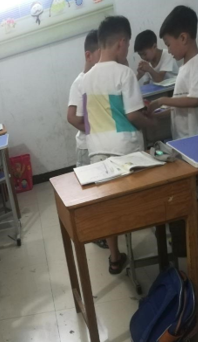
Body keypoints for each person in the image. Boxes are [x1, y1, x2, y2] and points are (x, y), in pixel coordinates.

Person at [79, 15, 156, 274]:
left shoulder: (85, 79)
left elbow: (87, 118)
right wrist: (151, 121)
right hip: (126, 152)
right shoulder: (125, 73)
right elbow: (133, 115)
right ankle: (156, 246)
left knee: (109, 209)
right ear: (121, 43)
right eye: (128, 45)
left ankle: (115, 258)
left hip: (97, 154)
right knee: (141, 202)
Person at [149, 6, 198, 139]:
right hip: (185, 138)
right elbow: (180, 106)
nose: (168, 50)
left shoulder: (197, 63)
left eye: (168, 44)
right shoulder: (186, 66)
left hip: (197, 139)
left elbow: (194, 101)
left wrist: (161, 101)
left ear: (183, 38)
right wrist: (158, 115)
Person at [67, 29, 101, 167]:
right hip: (86, 146)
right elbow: (71, 117)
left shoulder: (101, 79)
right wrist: (94, 130)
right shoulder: (79, 83)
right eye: (101, 56)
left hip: (101, 144)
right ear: (88, 56)